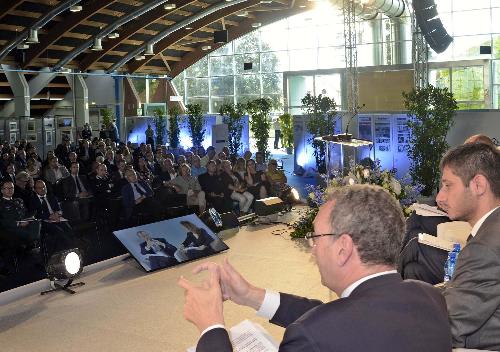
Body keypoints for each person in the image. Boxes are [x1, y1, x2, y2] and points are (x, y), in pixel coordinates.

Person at [179, 185, 452, 352]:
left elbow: (325, 324)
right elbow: (342, 317)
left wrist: (211, 326)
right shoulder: (429, 297)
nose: (312, 247)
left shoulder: (312, 337)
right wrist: (250, 294)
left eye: (316, 237)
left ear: (343, 248)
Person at [436, 143, 500, 350]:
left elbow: (447, 327)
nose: (440, 198)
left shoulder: (485, 248)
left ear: (478, 185)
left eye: (448, 185)